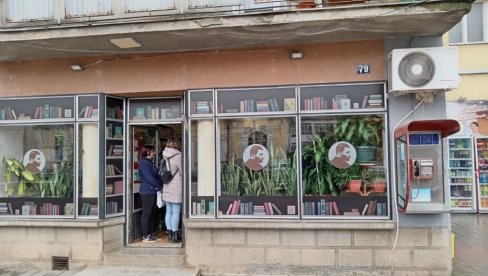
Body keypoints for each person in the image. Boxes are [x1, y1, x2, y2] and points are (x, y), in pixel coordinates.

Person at [138, 145, 162, 242]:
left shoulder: (149, 163)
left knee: (152, 214)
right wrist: (160, 186)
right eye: (153, 151)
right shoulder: (144, 163)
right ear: (148, 152)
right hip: (147, 192)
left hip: (152, 191)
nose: (154, 153)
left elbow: (156, 176)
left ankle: (151, 234)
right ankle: (145, 235)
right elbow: (150, 178)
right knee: (147, 214)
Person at [162, 137, 183, 243]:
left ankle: (169, 234)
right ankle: (175, 235)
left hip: (166, 186)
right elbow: (183, 171)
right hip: (176, 187)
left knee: (168, 211)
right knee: (176, 212)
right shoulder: (178, 156)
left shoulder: (164, 154)